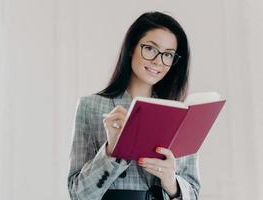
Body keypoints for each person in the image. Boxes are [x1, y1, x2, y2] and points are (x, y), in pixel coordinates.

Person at [68, 11, 200, 200]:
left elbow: (194, 193)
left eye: (168, 55)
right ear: (132, 47)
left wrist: (172, 183)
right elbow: (77, 194)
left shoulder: (180, 115)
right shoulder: (91, 106)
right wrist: (112, 152)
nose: (157, 61)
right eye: (150, 49)